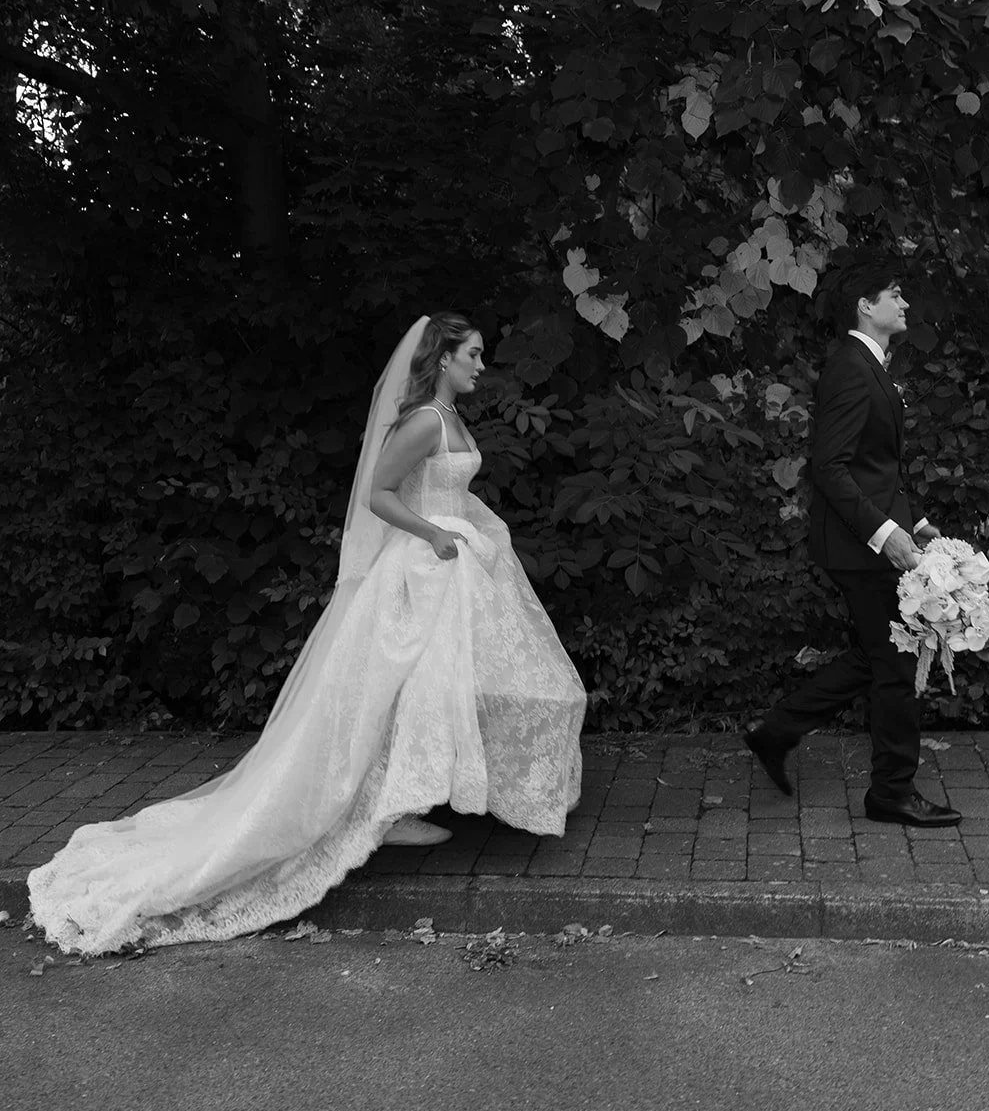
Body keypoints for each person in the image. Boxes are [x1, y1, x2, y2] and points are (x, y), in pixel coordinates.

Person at [29, 312, 587, 953]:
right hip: (423, 566)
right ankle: (391, 806)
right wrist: (434, 532)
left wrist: (476, 529)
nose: (483, 365)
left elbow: (450, 492)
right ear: (443, 359)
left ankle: (421, 794)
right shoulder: (425, 421)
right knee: (405, 681)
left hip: (455, 565)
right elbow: (379, 493)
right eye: (474, 354)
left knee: (442, 683)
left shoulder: (451, 417)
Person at [744, 258, 961, 828]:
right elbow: (830, 467)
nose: (905, 304)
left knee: (877, 656)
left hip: (866, 539)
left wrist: (911, 527)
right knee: (895, 665)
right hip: (856, 546)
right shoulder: (850, 367)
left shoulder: (872, 367)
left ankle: (777, 731)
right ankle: (891, 792)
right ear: (866, 305)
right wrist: (885, 534)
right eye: (894, 294)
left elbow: (875, 469)